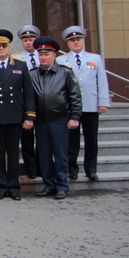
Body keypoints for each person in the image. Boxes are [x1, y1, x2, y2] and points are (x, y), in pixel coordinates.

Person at [0, 29, 36, 201]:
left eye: (4, 46)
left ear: (9, 47)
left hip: (14, 116)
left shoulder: (20, 65)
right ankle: (1, 187)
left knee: (13, 153)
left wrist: (29, 116)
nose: (1, 49)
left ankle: (14, 187)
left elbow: (28, 92)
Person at [30, 36, 82, 200]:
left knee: (60, 154)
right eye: (41, 55)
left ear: (54, 55)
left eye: (46, 54)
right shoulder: (33, 74)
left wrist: (75, 117)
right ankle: (49, 185)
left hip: (59, 119)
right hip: (41, 121)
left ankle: (62, 185)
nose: (43, 58)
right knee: (44, 154)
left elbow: (75, 96)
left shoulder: (65, 72)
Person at [57, 26, 110, 182]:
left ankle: (91, 170)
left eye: (78, 40)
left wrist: (103, 102)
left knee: (91, 139)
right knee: (71, 140)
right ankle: (72, 169)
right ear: (68, 43)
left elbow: (101, 81)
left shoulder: (95, 59)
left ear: (83, 41)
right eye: (72, 40)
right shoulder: (61, 60)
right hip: (70, 107)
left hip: (90, 104)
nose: (76, 42)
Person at [11, 24, 41, 179]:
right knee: (27, 140)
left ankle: (43, 166)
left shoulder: (44, 56)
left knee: (43, 138)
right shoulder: (16, 59)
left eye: (31, 40)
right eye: (26, 40)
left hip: (43, 103)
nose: (29, 43)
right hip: (25, 103)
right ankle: (31, 168)